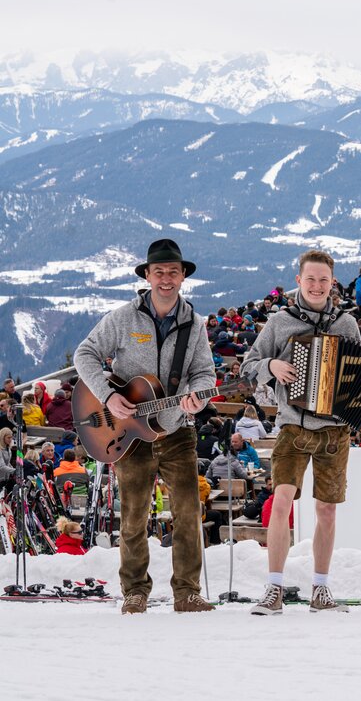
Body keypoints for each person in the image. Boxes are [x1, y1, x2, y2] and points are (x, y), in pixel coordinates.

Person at [242, 250, 361, 616]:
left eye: (323, 280)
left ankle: (321, 588)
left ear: (333, 284)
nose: (316, 286)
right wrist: (272, 365)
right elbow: (250, 364)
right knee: (281, 503)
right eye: (310, 279)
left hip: (335, 431)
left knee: (327, 510)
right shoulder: (280, 322)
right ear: (299, 281)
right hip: (294, 426)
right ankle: (274, 588)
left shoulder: (345, 324)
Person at [73, 239, 215, 613]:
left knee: (188, 512)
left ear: (183, 276)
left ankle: (187, 592)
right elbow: (84, 353)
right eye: (159, 272)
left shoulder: (193, 324)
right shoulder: (123, 318)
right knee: (134, 515)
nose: (166, 279)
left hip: (176, 431)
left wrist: (198, 396)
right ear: (147, 276)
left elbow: (203, 373)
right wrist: (106, 395)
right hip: (128, 434)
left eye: (173, 272)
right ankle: (135, 590)